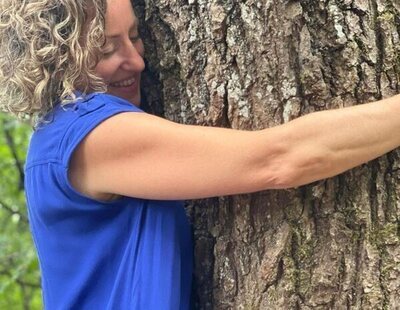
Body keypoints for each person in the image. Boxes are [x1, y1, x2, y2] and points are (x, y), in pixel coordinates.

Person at [1, 0, 400, 309]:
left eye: (136, 36)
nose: (137, 61)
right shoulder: (87, 133)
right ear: (56, 56)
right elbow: (281, 159)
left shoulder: (53, 140)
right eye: (107, 48)